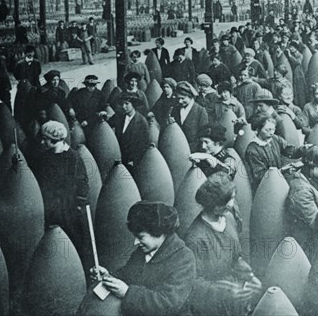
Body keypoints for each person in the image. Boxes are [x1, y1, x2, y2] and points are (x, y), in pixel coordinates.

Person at [88, 201, 196, 316]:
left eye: (140, 237)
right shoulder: (142, 252)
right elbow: (128, 274)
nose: (136, 242)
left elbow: (168, 304)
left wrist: (127, 293)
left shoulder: (184, 259)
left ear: (158, 232)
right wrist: (108, 276)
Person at [184, 173, 262, 315]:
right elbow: (192, 284)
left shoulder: (229, 219)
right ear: (212, 205)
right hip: (211, 307)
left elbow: (235, 258)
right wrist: (225, 290)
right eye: (226, 201)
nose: (231, 204)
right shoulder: (195, 239)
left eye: (232, 198)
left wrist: (249, 276)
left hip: (233, 302)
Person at [33, 121, 88, 253]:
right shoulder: (43, 158)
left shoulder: (74, 158)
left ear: (53, 139)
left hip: (69, 212)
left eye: (45, 139)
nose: (42, 143)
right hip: (49, 210)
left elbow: (82, 185)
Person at [244, 114, 308, 190]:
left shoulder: (274, 139)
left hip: (277, 180)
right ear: (258, 129)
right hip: (264, 188)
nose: (271, 133)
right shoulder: (252, 150)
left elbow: (289, 150)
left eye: (273, 129)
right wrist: (282, 170)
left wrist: (304, 149)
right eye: (268, 130)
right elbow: (260, 176)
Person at [110, 92, 149, 171]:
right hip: (120, 158)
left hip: (132, 162)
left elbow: (143, 144)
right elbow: (109, 123)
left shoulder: (142, 121)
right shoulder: (119, 117)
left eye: (126, 104)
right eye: (123, 104)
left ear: (133, 105)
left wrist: (134, 160)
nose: (124, 106)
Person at [170, 81, 209, 152]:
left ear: (190, 96)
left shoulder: (200, 111)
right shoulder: (175, 109)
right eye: (178, 98)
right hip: (177, 149)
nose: (180, 101)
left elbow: (204, 135)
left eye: (183, 98)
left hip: (193, 150)